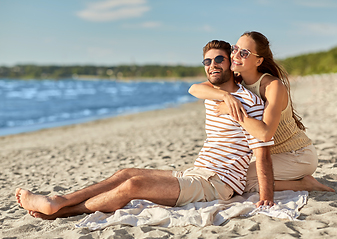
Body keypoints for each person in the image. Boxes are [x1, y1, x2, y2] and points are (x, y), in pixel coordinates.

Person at [15, 40, 275, 220]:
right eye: (207, 61)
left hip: (217, 184)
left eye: (219, 59)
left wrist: (266, 197)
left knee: (135, 184)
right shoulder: (212, 94)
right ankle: (60, 199)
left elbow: (262, 152)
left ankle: (59, 210)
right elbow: (195, 88)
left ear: (230, 62)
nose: (212, 65)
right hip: (197, 171)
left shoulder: (248, 102)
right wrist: (224, 97)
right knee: (126, 172)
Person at [188, 31, 334, 193]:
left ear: (258, 60)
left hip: (296, 155)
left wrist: (232, 111)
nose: (236, 55)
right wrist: (225, 96)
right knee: (233, 177)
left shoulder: (272, 86)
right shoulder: (237, 79)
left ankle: (304, 184)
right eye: (235, 49)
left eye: (244, 53)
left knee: (239, 181)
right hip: (269, 156)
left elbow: (265, 134)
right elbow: (194, 89)